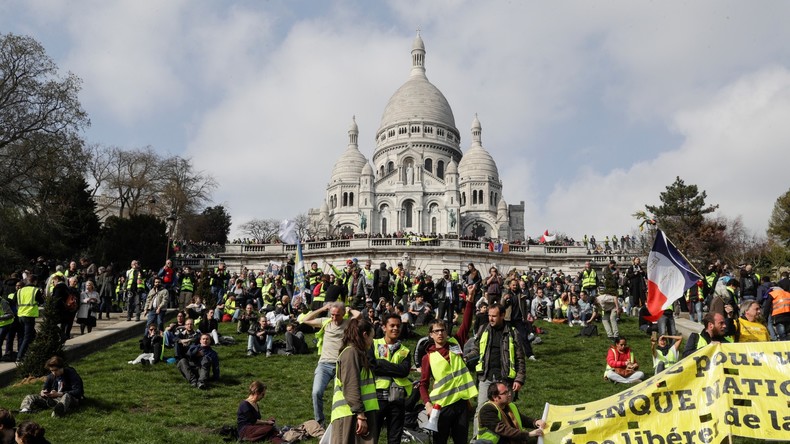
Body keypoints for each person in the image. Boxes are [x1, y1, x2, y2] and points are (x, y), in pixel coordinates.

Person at [419, 284, 477, 444]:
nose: (440, 333)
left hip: (461, 403)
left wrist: (470, 300)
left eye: (443, 330)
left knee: (461, 440)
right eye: (436, 331)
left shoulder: (454, 343)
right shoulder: (427, 358)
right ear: (431, 334)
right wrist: (427, 405)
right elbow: (422, 384)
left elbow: (465, 324)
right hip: (441, 406)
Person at [301, 301, 362, 426]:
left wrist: (349, 309)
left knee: (343, 395)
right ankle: (320, 422)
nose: (334, 318)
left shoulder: (348, 323)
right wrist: (322, 308)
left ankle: (344, 421)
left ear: (343, 314)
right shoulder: (325, 322)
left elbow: (359, 315)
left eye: (337, 315)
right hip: (324, 364)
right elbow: (305, 320)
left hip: (341, 365)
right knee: (316, 392)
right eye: (332, 314)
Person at [470, 303, 526, 436]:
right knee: (480, 410)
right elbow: (476, 349)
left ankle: (510, 439)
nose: (490, 319)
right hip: (486, 377)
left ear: (502, 315)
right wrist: (466, 357)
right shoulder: (483, 329)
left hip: (505, 379)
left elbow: (520, 358)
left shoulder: (512, 332)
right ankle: (476, 439)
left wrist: (519, 379)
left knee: (508, 412)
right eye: (489, 315)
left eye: (494, 316)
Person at [330, 318, 379, 444]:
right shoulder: (351, 353)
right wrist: (360, 415)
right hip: (350, 415)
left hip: (357, 414)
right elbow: (351, 385)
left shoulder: (357, 353)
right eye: (372, 337)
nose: (372, 341)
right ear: (365, 335)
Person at [369, 314, 411, 444]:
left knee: (394, 439)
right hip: (376, 397)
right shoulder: (373, 344)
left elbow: (404, 371)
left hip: (397, 398)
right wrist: (394, 368)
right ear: (383, 327)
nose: (395, 328)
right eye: (392, 325)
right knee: (371, 437)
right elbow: (372, 365)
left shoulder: (405, 350)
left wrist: (381, 363)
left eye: (398, 326)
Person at [476, 382, 545, 444]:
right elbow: (502, 429)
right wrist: (528, 434)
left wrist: (535, 422)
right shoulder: (487, 410)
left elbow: (521, 419)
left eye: (508, 391)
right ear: (495, 397)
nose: (509, 394)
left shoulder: (510, 405)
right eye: (505, 393)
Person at [19, 356, 84, 417]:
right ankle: (25, 410)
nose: (54, 373)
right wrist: (43, 392)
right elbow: (45, 388)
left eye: (56, 370)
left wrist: (59, 394)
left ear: (61, 367)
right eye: (52, 370)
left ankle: (57, 412)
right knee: (30, 396)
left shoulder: (71, 374)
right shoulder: (51, 376)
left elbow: (78, 391)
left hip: (70, 399)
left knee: (66, 396)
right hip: (53, 399)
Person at [16, 276, 44, 361]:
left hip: (20, 315)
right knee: (27, 337)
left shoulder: (20, 290)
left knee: (26, 335)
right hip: (29, 315)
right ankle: (20, 356)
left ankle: (28, 352)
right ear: (35, 282)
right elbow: (42, 301)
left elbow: (15, 301)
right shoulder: (35, 290)